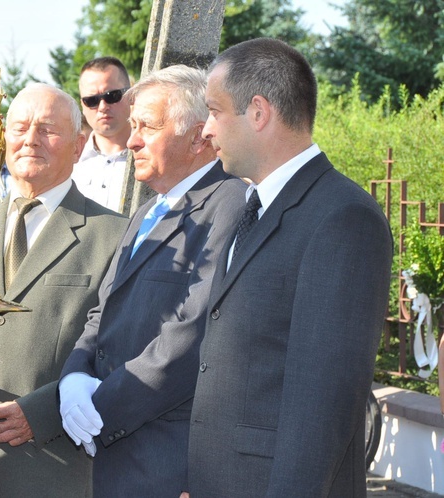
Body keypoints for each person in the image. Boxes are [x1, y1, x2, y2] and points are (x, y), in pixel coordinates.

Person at [184, 38, 393, 497]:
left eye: (215, 112)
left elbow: (324, 402)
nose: (206, 131)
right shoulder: (250, 204)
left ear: (258, 112)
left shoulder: (342, 217)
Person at [59, 65, 246, 497]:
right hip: (118, 460)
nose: (131, 140)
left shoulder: (229, 202)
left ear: (198, 136)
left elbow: (192, 332)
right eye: (133, 125)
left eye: (147, 126)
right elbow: (102, 310)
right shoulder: (148, 210)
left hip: (167, 461)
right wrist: (72, 379)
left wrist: (98, 405)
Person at [0, 83, 128, 498]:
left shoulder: (114, 234)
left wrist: (44, 412)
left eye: (47, 129)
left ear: (78, 146)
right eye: (20, 128)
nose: (30, 140)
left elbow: (120, 348)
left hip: (52, 467)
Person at [71, 56, 132, 212]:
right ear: (82, 105)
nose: (103, 106)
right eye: (92, 100)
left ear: (131, 95)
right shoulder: (69, 161)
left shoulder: (153, 155)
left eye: (112, 96)